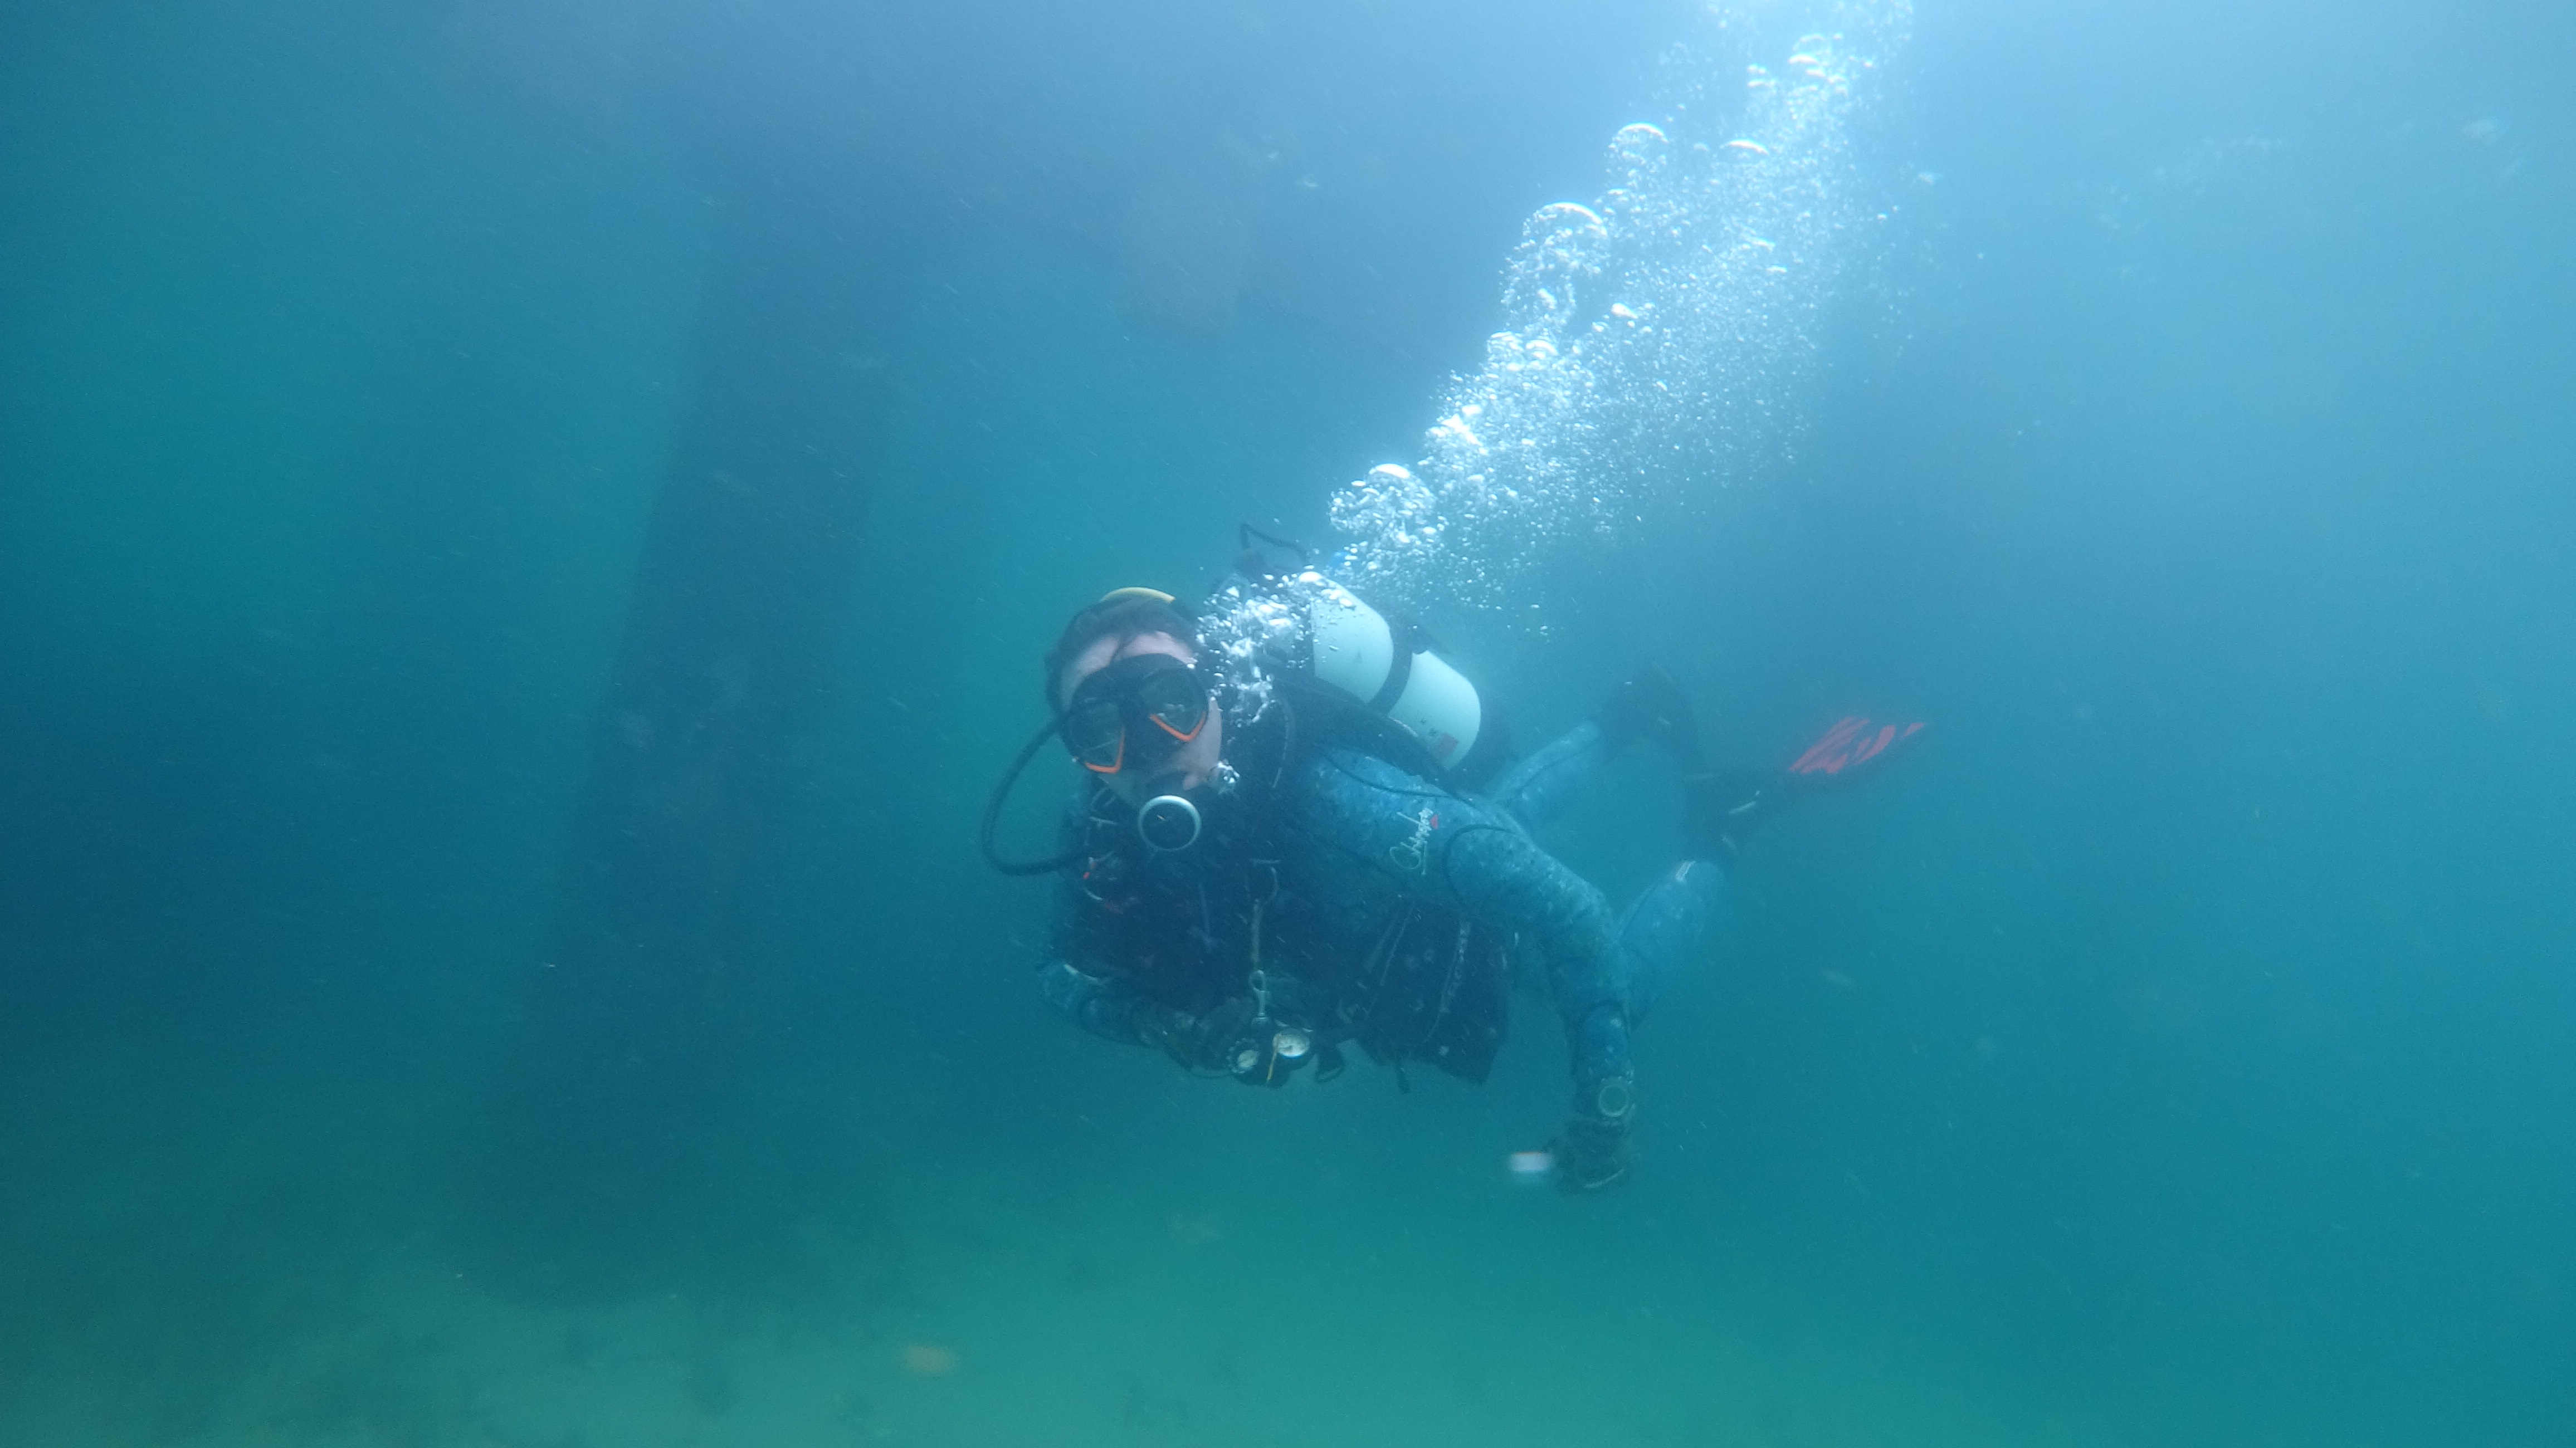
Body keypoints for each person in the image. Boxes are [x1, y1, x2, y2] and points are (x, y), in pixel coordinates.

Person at [985, 580, 1920, 1191]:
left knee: (1608, 985)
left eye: (1172, 706)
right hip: (1412, 871)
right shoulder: (1098, 820)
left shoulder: (1339, 797)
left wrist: (1605, 1102)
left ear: (1220, 693)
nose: (1147, 754)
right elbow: (1057, 976)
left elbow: (1573, 911)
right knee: (1487, 823)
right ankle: (1621, 718)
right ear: (1080, 757)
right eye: (1102, 735)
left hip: (1455, 935)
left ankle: (1720, 831)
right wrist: (1161, 1024)